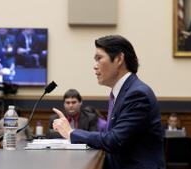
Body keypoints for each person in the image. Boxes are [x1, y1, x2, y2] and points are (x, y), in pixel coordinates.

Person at [52, 35, 165, 169]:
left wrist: (71, 133)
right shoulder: (121, 92)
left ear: (118, 59)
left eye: (99, 58)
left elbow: (114, 140)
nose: (95, 66)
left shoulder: (137, 94)